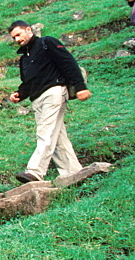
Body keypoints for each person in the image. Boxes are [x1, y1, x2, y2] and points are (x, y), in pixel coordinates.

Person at [7, 20, 91, 184]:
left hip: (54, 91)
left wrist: (80, 86)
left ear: (29, 30)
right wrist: (19, 94)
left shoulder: (47, 43)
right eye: (13, 38)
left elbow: (68, 63)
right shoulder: (24, 58)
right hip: (37, 99)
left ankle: (35, 171)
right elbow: (28, 82)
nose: (17, 39)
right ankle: (72, 172)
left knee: (45, 132)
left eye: (18, 34)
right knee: (57, 136)